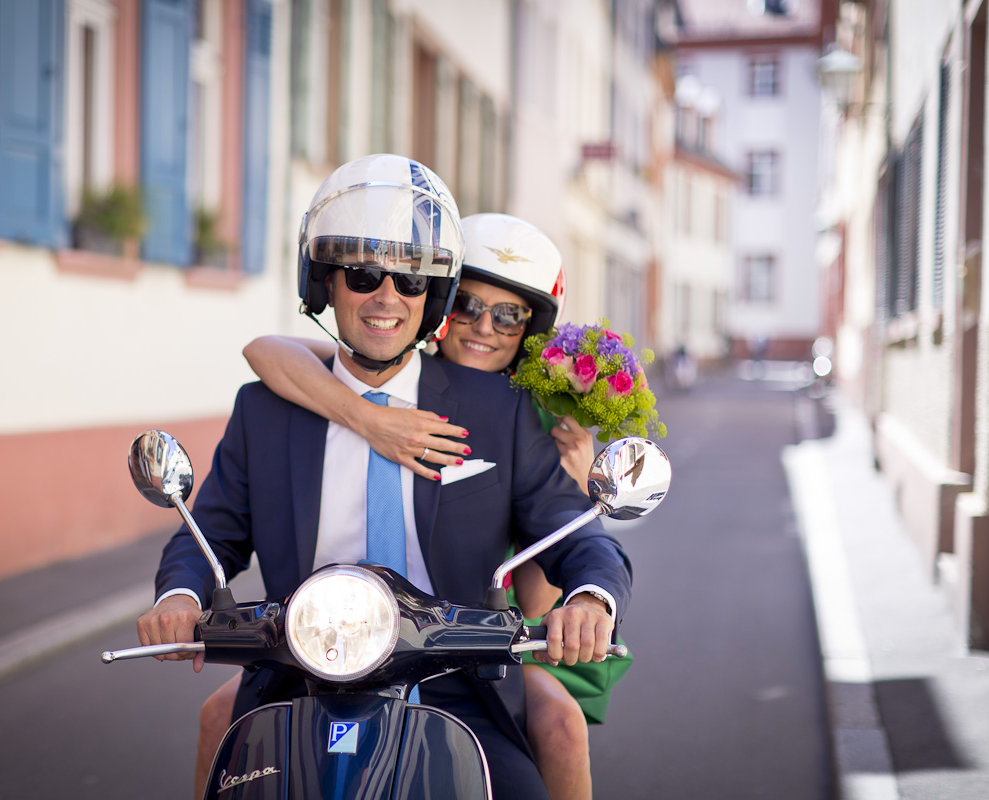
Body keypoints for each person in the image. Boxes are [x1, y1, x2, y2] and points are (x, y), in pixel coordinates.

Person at [136, 154, 632, 800]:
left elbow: (580, 536)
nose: (386, 297)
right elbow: (211, 532)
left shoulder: (498, 412)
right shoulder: (263, 410)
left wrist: (592, 596)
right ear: (325, 286)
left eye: (410, 279)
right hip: (294, 677)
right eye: (365, 274)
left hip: (457, 682)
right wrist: (180, 594)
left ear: (434, 298)